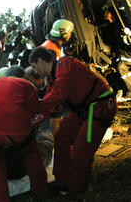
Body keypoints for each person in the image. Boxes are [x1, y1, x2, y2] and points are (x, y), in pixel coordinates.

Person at [29, 46, 118, 200]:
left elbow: (55, 97)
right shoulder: (53, 79)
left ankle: (76, 192)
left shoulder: (64, 64)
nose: (35, 71)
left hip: (100, 106)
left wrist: (33, 106)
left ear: (40, 61)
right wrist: (28, 124)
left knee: (82, 148)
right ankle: (63, 181)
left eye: (34, 67)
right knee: (61, 138)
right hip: (84, 109)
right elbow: (48, 108)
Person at [0, 76, 47, 202]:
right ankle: (39, 190)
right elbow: (33, 113)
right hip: (14, 130)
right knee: (31, 154)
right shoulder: (28, 86)